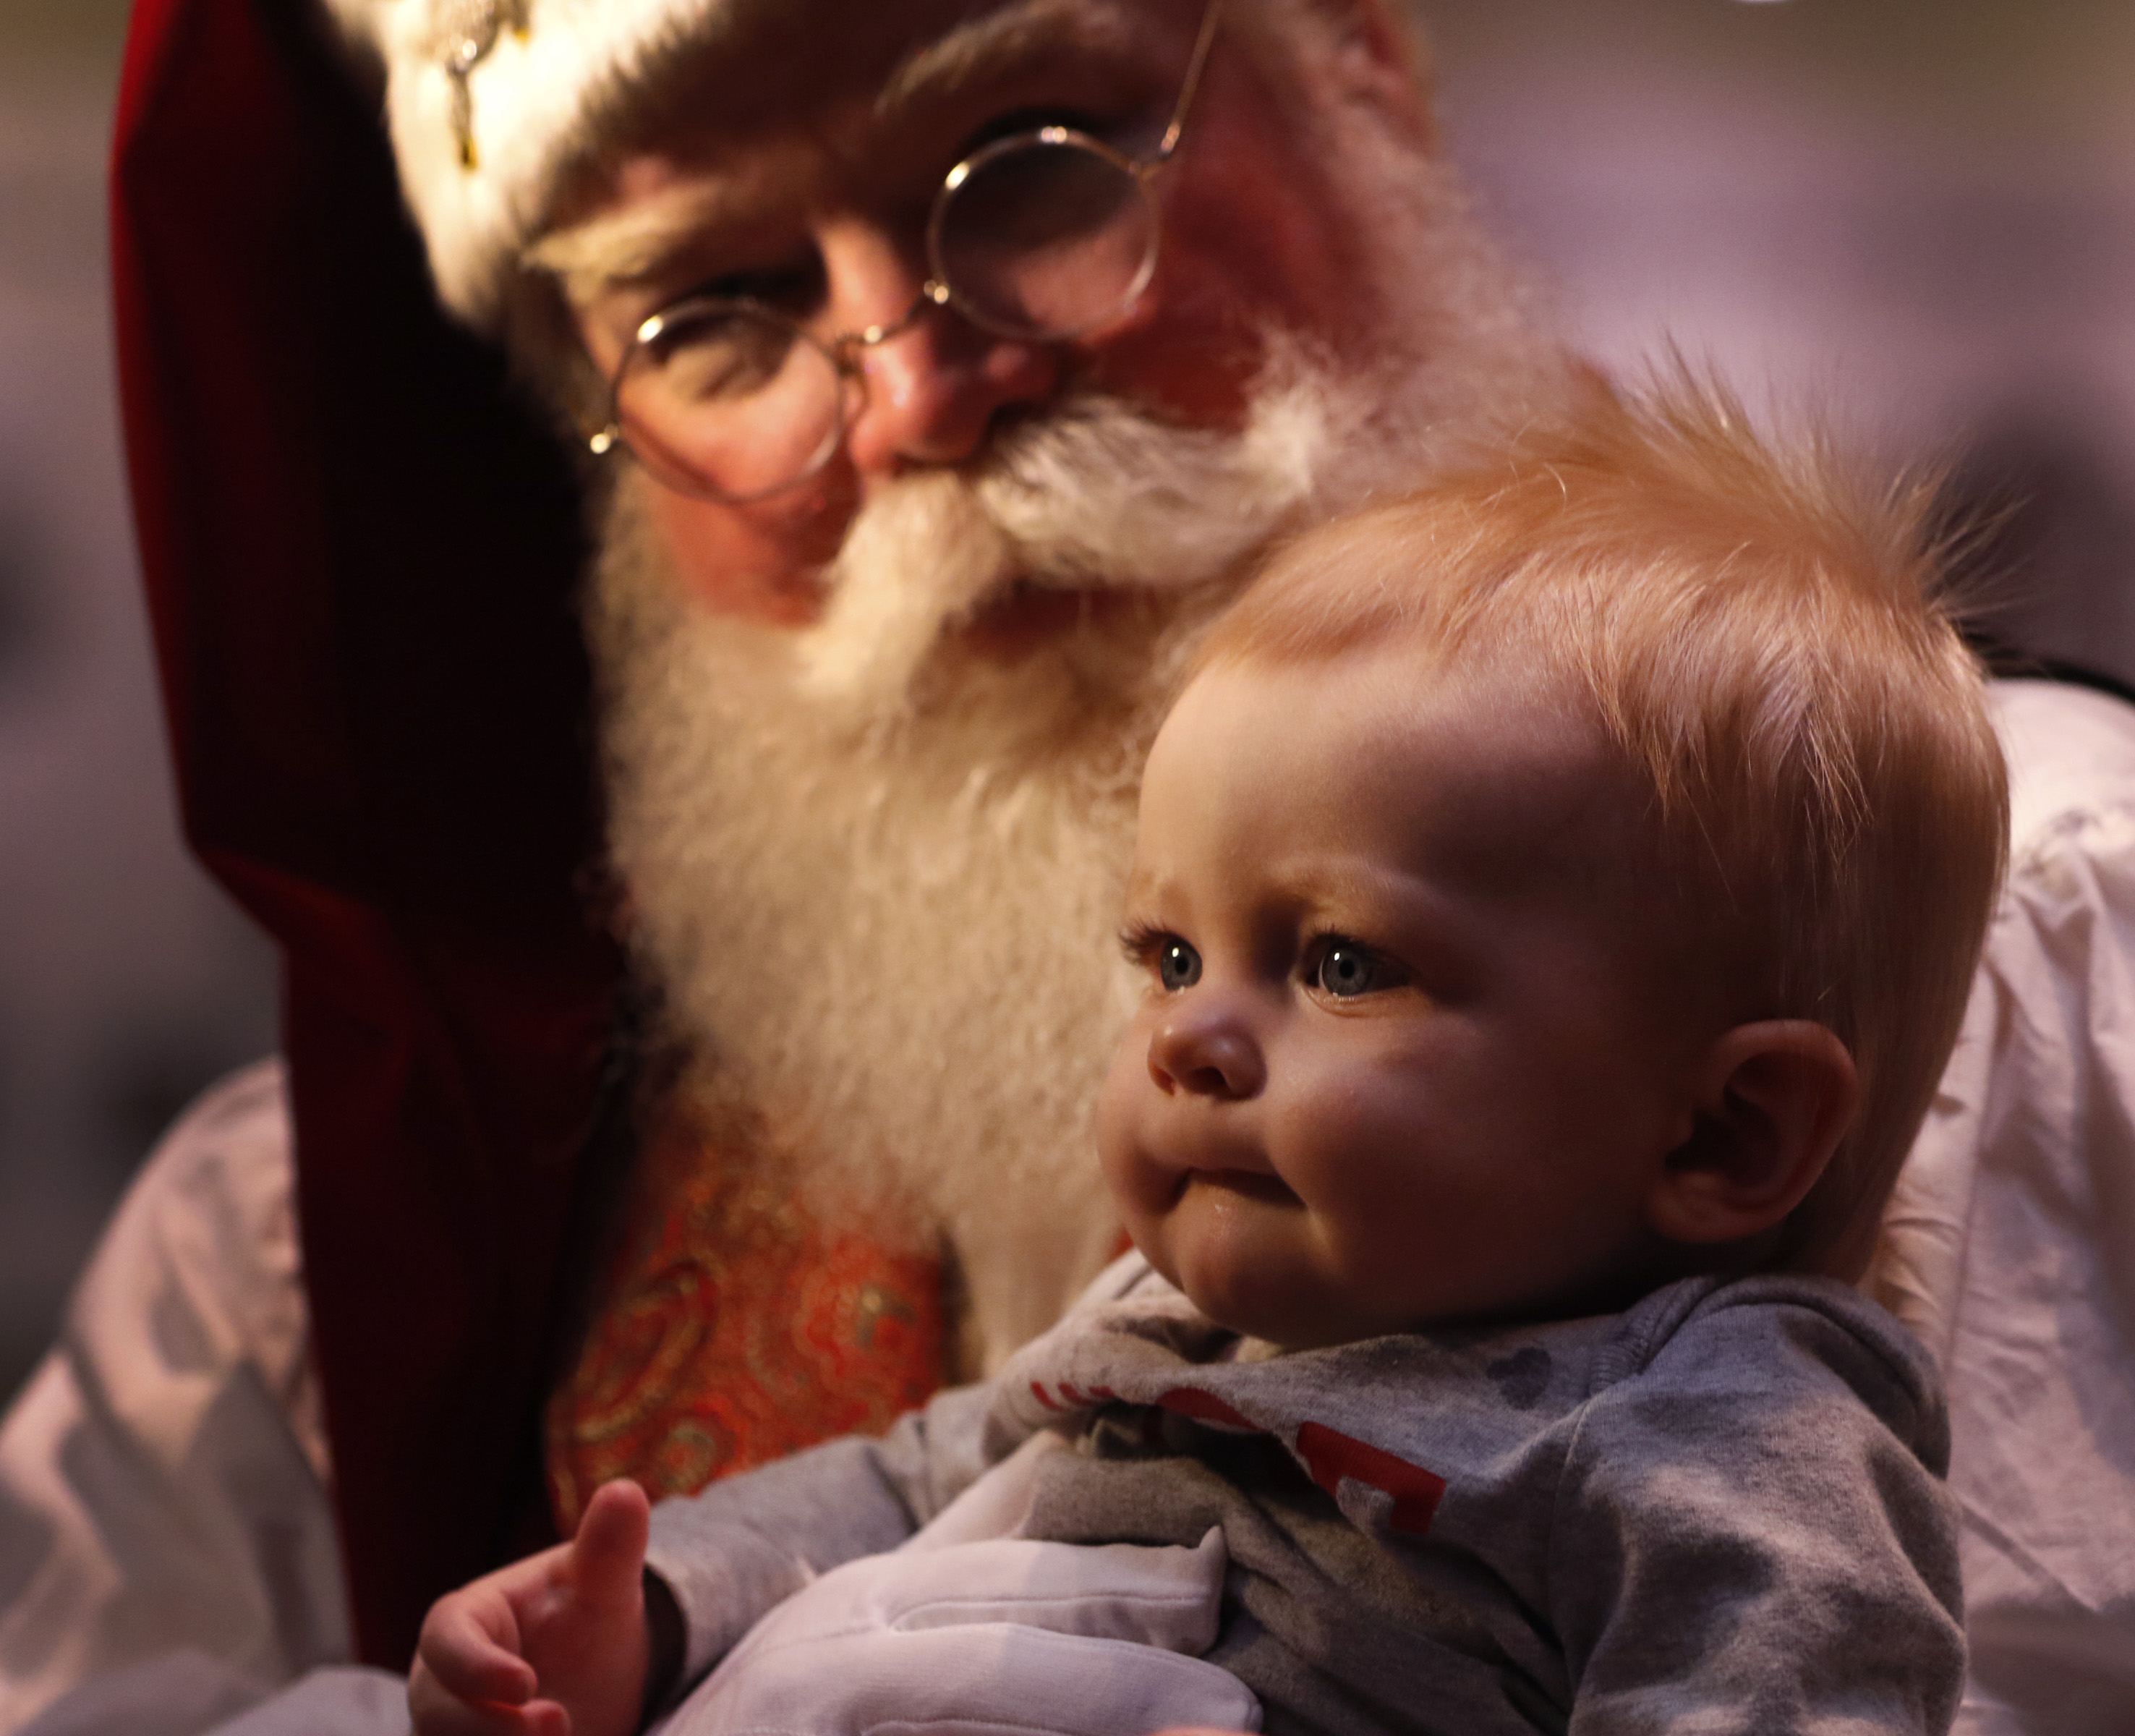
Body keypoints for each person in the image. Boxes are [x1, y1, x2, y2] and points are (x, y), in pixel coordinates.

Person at [1, 0, 2131, 1732]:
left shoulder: (2051, 922)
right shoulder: (301, 1262)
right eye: (717, 306)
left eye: (1029, 153)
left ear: (1353, 61)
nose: (916, 389)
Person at [400, 384, 1996, 1736]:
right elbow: (908, 1485)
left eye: (1341, 964)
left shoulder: (1714, 1439)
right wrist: (656, 1610)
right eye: (1168, 955)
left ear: (1725, 1134)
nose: (1190, 1037)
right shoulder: (1176, 1324)